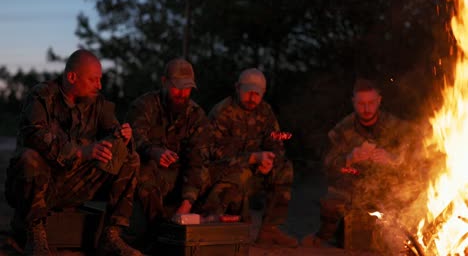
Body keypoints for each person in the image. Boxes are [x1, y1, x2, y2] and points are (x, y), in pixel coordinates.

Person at [4, 49, 143, 255]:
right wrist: (81, 152)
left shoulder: (98, 103)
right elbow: (35, 136)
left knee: (130, 158)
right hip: (41, 184)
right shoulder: (42, 95)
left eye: (100, 79)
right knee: (29, 157)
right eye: (93, 79)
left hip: (76, 183)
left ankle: (111, 236)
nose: (99, 85)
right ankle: (36, 236)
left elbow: (113, 134)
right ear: (71, 77)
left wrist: (122, 136)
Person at [301, 78, 414, 248]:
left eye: (371, 103)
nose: (367, 108)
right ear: (353, 102)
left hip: (388, 187)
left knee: (410, 194)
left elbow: (421, 153)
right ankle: (326, 235)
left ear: (379, 101)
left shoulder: (396, 127)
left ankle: (404, 239)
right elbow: (327, 165)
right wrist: (349, 159)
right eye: (361, 103)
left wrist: (393, 159)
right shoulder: (342, 129)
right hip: (354, 188)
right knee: (333, 201)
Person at [201, 68, 298, 248]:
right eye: (248, 92)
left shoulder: (265, 112)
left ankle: (269, 229)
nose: (252, 97)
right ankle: (212, 227)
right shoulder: (222, 112)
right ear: (237, 88)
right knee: (240, 173)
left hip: (255, 170)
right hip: (221, 174)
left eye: (257, 93)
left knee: (284, 168)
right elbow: (214, 153)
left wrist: (270, 161)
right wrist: (252, 159)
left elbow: (276, 144)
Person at [126, 58, 211, 231]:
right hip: (152, 176)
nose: (182, 93)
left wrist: (186, 204)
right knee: (142, 170)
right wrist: (153, 151)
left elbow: (197, 160)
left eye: (187, 89)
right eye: (177, 87)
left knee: (212, 171)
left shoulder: (196, 115)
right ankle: (158, 230)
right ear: (164, 82)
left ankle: (203, 225)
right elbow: (133, 139)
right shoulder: (145, 106)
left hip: (182, 179)